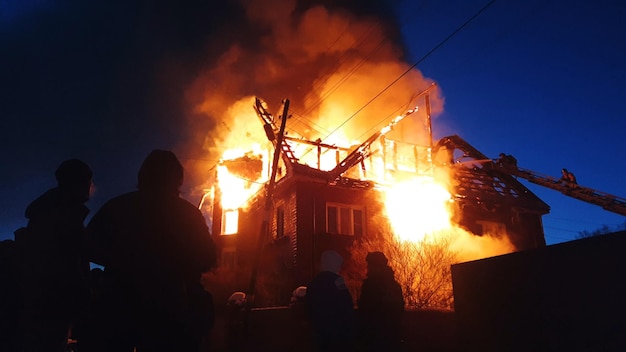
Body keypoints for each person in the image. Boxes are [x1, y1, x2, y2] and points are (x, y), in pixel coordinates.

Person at [84, 150, 217, 352]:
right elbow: (208, 257)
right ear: (177, 179)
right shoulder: (187, 214)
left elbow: (89, 247)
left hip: (120, 306)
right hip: (170, 307)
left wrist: (124, 263)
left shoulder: (117, 207)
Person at [14, 159, 93, 352]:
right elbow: (71, 260)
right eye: (87, 181)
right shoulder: (65, 215)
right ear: (79, 183)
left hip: (44, 300)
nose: (90, 187)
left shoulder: (48, 211)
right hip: (53, 302)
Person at [306, 250, 355, 352]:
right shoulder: (338, 281)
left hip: (319, 331)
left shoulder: (314, 282)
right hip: (337, 331)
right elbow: (346, 302)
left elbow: (309, 306)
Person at [357, 251, 405, 352]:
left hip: (374, 337)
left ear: (376, 266)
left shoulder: (370, 286)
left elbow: (364, 309)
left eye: (370, 265)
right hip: (391, 337)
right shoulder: (394, 286)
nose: (368, 268)